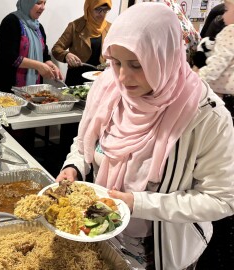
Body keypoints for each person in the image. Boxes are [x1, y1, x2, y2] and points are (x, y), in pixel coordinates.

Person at [55, 3, 234, 269]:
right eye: (115, 62)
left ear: (165, 57)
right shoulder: (107, 89)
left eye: (137, 65)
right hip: (98, 231)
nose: (123, 77)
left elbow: (221, 198)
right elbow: (85, 144)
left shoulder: (205, 116)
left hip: (161, 249)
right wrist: (74, 167)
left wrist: (137, 203)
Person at [0, 0, 62, 151]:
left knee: (28, 132)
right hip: (9, 89)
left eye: (44, 3)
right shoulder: (11, 22)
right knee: (9, 136)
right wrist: (38, 65)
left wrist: (49, 63)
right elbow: (7, 57)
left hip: (30, 91)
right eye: (38, 2)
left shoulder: (37, 26)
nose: (42, 7)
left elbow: (43, 52)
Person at [51, 0, 112, 86]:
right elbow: (56, 49)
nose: (101, 13)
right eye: (97, 9)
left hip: (100, 79)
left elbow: (117, 52)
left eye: (105, 10)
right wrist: (66, 55)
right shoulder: (75, 26)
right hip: (76, 78)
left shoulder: (110, 28)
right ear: (89, 8)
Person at [198, 0, 234, 99]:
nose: (222, 16)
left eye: (226, 10)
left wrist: (196, 79)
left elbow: (217, 64)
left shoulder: (230, 31)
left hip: (222, 94)